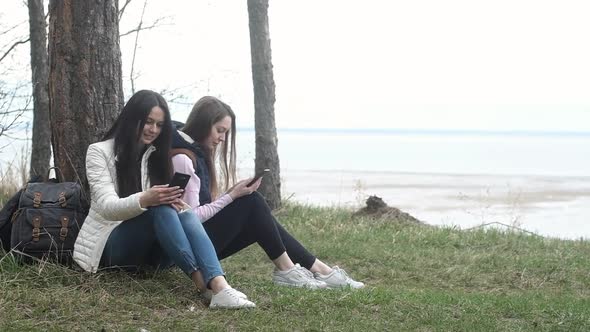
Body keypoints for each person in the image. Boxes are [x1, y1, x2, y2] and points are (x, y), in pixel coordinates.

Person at [73, 90, 255, 309]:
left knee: (181, 212)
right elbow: (106, 207)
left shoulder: (155, 154)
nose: (153, 130)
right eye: (148, 122)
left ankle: (221, 286)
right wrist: (146, 199)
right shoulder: (99, 152)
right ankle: (203, 285)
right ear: (132, 118)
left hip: (149, 254)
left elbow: (166, 209)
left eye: (159, 125)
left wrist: (177, 204)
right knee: (158, 209)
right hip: (110, 248)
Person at [171, 96, 364, 289]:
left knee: (255, 209)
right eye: (219, 131)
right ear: (203, 124)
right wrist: (231, 197)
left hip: (199, 240)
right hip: (190, 248)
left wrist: (231, 194)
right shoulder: (183, 159)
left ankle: (317, 269)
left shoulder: (195, 152)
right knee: (252, 203)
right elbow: (190, 217)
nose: (222, 138)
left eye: (225, 133)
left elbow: (198, 208)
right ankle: (292, 270)